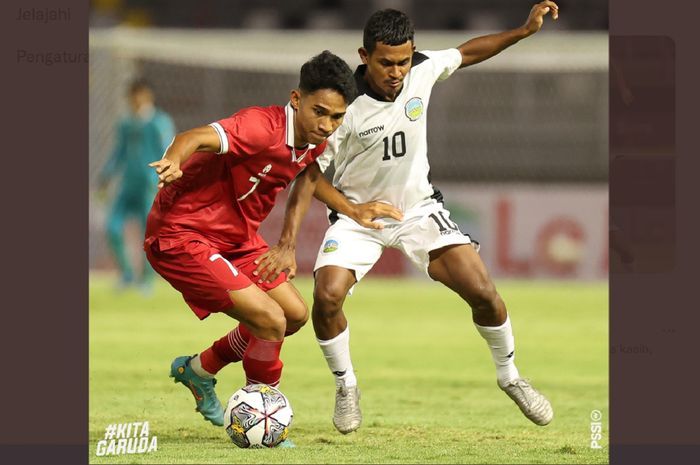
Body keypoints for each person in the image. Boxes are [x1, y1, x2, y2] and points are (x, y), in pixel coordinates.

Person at [256, 2, 560, 434]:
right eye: (385, 63)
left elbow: (469, 52)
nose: (397, 71)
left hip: (418, 210)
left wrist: (523, 31)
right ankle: (346, 386)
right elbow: (308, 176)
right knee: (326, 298)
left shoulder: (423, 68)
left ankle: (510, 376)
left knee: (484, 292)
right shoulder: (345, 107)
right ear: (365, 57)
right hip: (358, 217)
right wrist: (292, 240)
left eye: (403, 61)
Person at [143, 50, 402, 431]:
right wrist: (174, 160)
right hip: (182, 233)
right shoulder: (259, 127)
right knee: (268, 319)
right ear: (296, 99)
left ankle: (199, 369)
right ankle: (260, 421)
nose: (328, 125)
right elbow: (193, 137)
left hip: (235, 238)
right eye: (320, 111)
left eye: (337, 116)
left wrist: (349, 211)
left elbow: (308, 175)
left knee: (295, 315)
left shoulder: (312, 140)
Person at [98, 79, 175, 292]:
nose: (134, 101)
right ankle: (127, 275)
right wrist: (107, 174)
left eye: (138, 95)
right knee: (113, 226)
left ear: (147, 96)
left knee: (148, 234)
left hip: (149, 186)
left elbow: (168, 152)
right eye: (131, 96)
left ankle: (146, 280)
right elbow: (119, 152)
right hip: (127, 185)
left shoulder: (159, 123)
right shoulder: (125, 123)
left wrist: (164, 182)